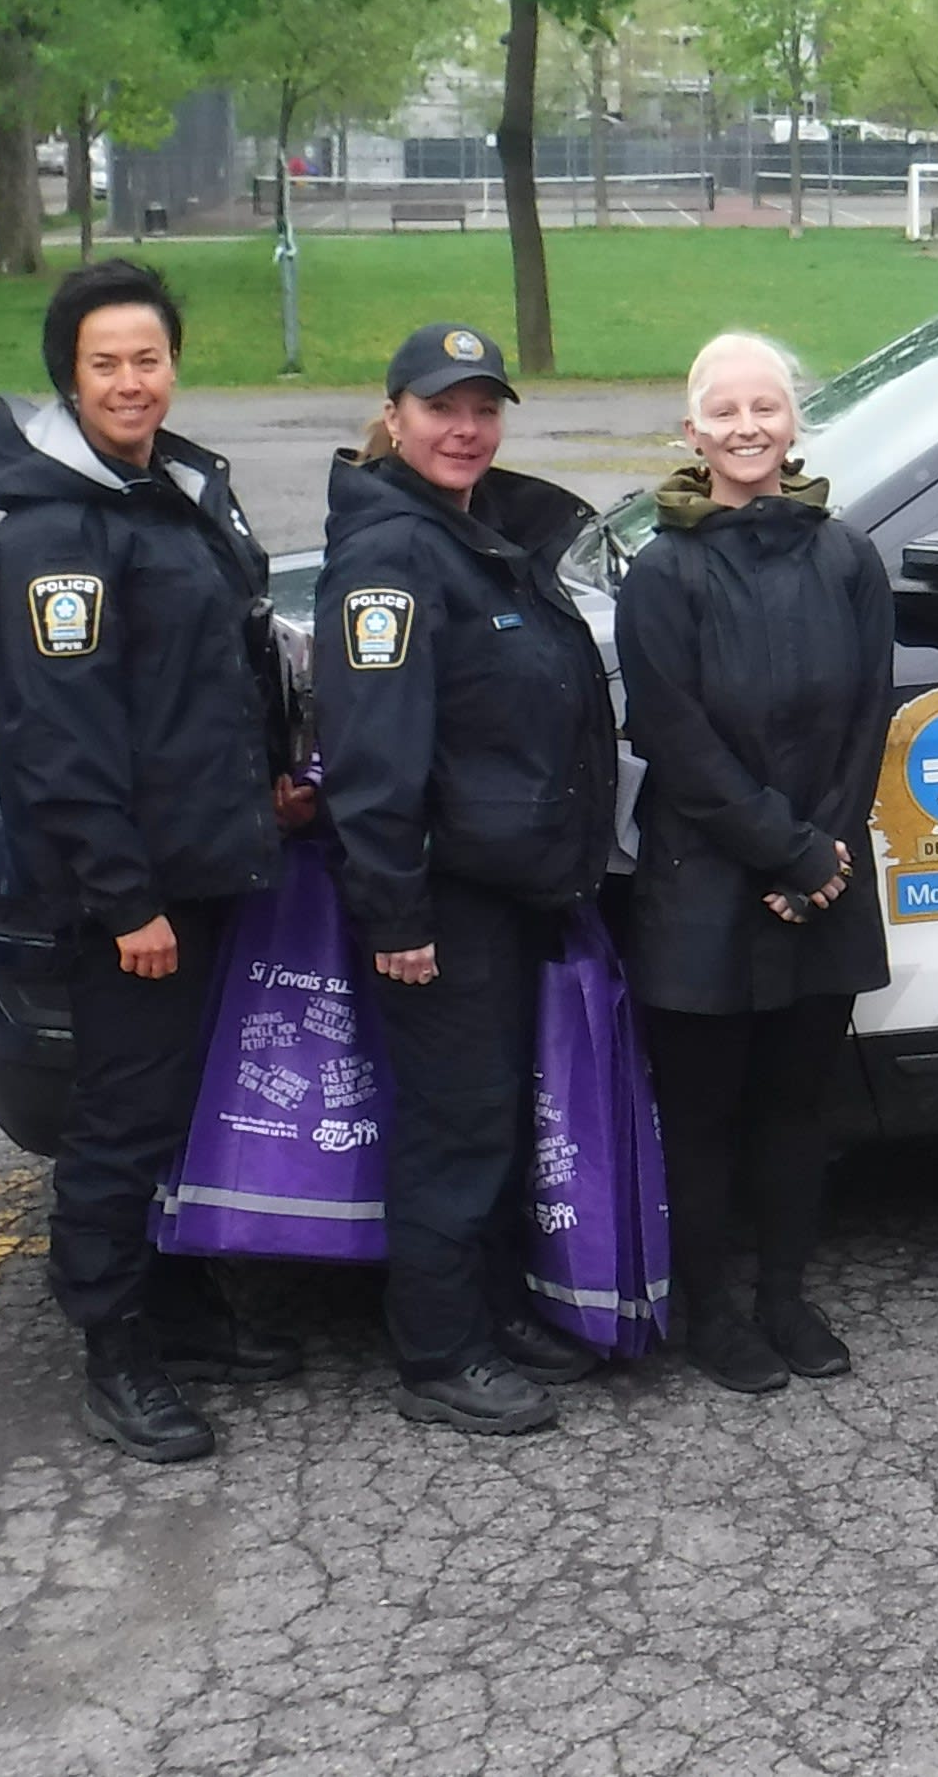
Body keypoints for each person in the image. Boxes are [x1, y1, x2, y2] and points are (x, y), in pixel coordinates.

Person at [0, 259, 313, 1465]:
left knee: (171, 1097)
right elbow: (59, 743)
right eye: (105, 363)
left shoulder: (171, 490)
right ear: (68, 378)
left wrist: (267, 781)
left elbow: (211, 673)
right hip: (130, 894)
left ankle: (175, 1307)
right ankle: (113, 1346)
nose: (131, 381)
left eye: (148, 358)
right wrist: (126, 901)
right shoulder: (55, 534)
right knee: (120, 1116)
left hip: (203, 863)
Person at [312, 322, 620, 1435]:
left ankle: (494, 1311)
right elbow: (372, 751)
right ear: (393, 415)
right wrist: (395, 910)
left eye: (483, 409)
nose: (466, 429)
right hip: (441, 899)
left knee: (493, 1113)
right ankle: (440, 1351)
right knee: (457, 1123)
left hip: (507, 886)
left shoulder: (472, 528)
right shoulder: (390, 557)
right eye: (441, 408)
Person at [618, 332, 895, 1393]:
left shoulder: (847, 557)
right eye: (724, 411)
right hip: (705, 886)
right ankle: (713, 1314)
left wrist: (823, 854)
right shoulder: (663, 570)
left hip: (822, 878)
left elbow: (868, 717)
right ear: (692, 433)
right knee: (703, 1116)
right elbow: (675, 738)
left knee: (796, 1106)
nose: (747, 427)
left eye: (765, 407)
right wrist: (790, 850)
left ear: (793, 422)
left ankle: (784, 1295)